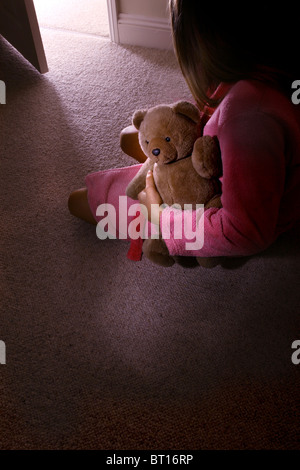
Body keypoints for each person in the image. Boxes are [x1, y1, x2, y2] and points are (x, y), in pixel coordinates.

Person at [68, 1, 300, 260]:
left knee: (79, 201)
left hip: (219, 199)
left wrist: (160, 216)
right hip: (228, 155)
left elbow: (244, 232)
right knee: (131, 137)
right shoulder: (267, 70)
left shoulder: (250, 121)